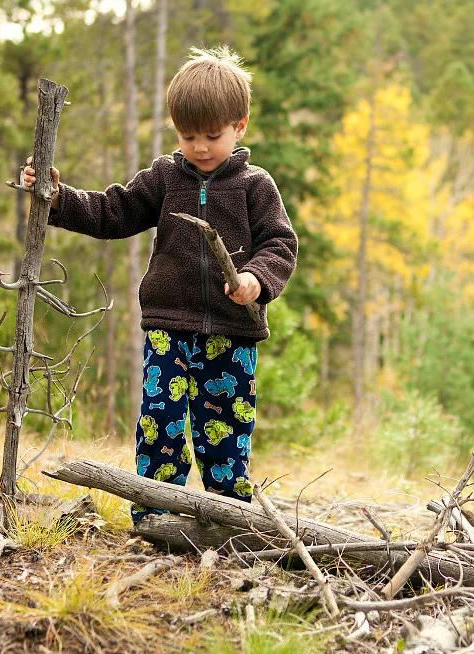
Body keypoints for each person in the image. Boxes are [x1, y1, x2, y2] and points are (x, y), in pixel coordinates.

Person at [22, 46, 297, 522]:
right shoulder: (166, 178)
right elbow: (114, 211)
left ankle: (228, 518)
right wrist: (58, 199)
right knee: (160, 425)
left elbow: (281, 244)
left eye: (213, 136)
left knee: (226, 431)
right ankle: (154, 515)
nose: (201, 147)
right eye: (188, 136)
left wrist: (256, 278)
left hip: (232, 335)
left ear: (240, 126)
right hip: (168, 328)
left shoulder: (256, 186)